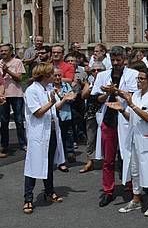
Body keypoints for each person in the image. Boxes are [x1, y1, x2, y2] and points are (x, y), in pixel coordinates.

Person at [106, 68, 148, 216]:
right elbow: (131, 117)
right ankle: (136, 199)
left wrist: (131, 104)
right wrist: (121, 110)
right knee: (135, 171)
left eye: (142, 79)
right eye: (137, 78)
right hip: (135, 139)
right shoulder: (136, 95)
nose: (138, 81)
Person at [22, 63, 74, 214]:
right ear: (45, 75)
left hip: (50, 132)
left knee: (49, 163)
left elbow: (54, 108)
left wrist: (64, 99)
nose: (56, 76)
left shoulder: (48, 89)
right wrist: (51, 102)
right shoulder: (32, 90)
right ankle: (28, 198)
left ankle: (49, 192)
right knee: (33, 164)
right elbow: (38, 112)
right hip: (38, 134)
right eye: (52, 74)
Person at [91, 46, 139, 207]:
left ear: (124, 60)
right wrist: (107, 93)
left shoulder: (132, 75)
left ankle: (132, 187)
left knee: (128, 155)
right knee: (108, 159)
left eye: (119, 60)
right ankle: (108, 190)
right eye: (113, 60)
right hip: (108, 120)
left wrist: (116, 90)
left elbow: (132, 96)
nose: (116, 63)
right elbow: (97, 99)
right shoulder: (103, 75)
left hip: (125, 119)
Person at [79, 61, 106, 173]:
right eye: (94, 70)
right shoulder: (89, 81)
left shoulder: (107, 80)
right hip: (91, 111)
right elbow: (83, 96)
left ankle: (107, 159)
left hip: (105, 111)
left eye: (99, 70)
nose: (96, 72)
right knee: (91, 137)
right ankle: (90, 160)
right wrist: (91, 87)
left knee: (105, 136)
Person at [0, 43, 27, 156]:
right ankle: (4, 144)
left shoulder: (17, 62)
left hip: (16, 94)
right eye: (1, 51)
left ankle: (22, 143)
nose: (3, 53)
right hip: (3, 95)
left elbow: (20, 78)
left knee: (19, 120)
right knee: (3, 121)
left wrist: (8, 71)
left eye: (5, 50)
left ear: (11, 51)